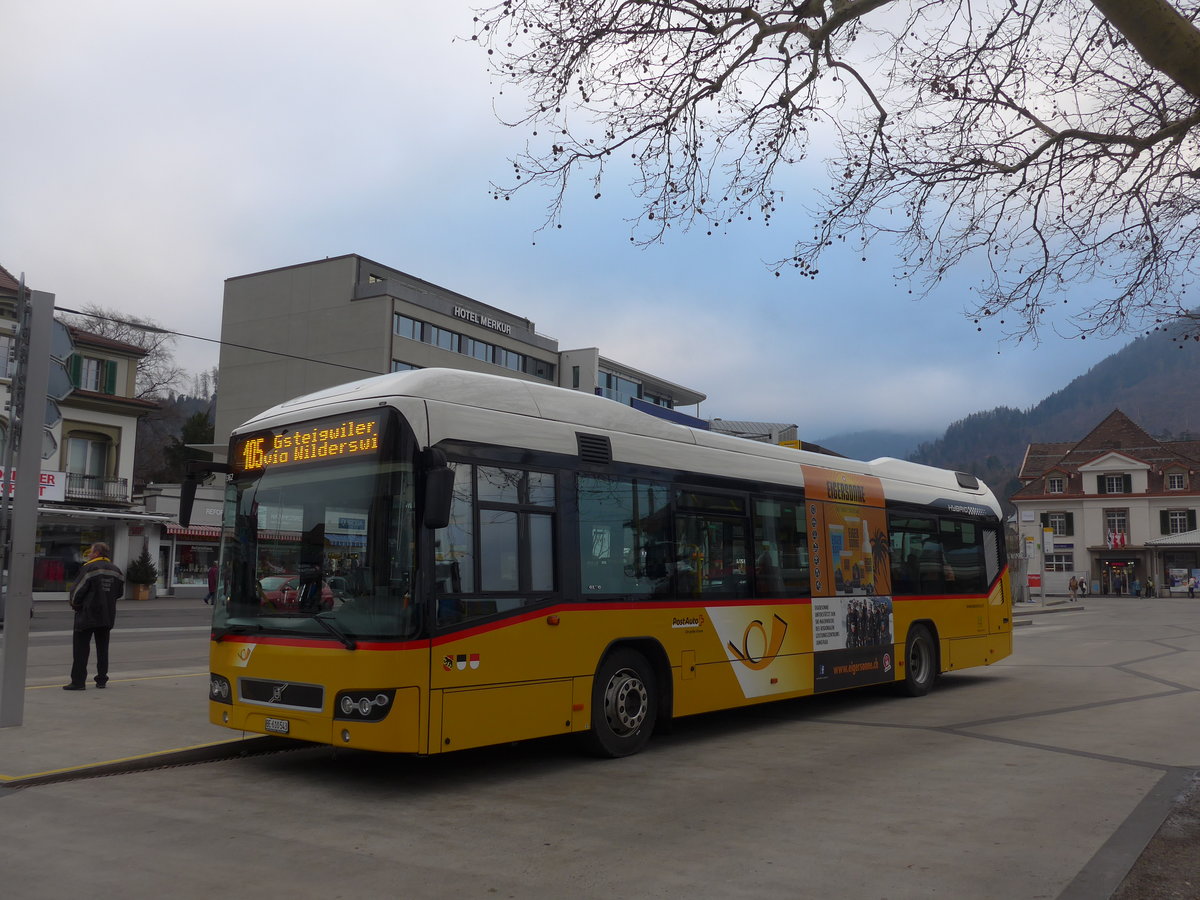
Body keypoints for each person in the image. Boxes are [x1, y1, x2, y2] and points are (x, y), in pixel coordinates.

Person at [63, 542, 125, 691]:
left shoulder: (89, 568)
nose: (89, 554)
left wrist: (75, 605)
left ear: (97, 553)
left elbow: (77, 591)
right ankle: (102, 680)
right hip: (107, 616)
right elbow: (119, 593)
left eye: (90, 552)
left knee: (81, 649)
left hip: (87, 615)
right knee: (103, 649)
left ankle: (78, 682)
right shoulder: (117, 570)